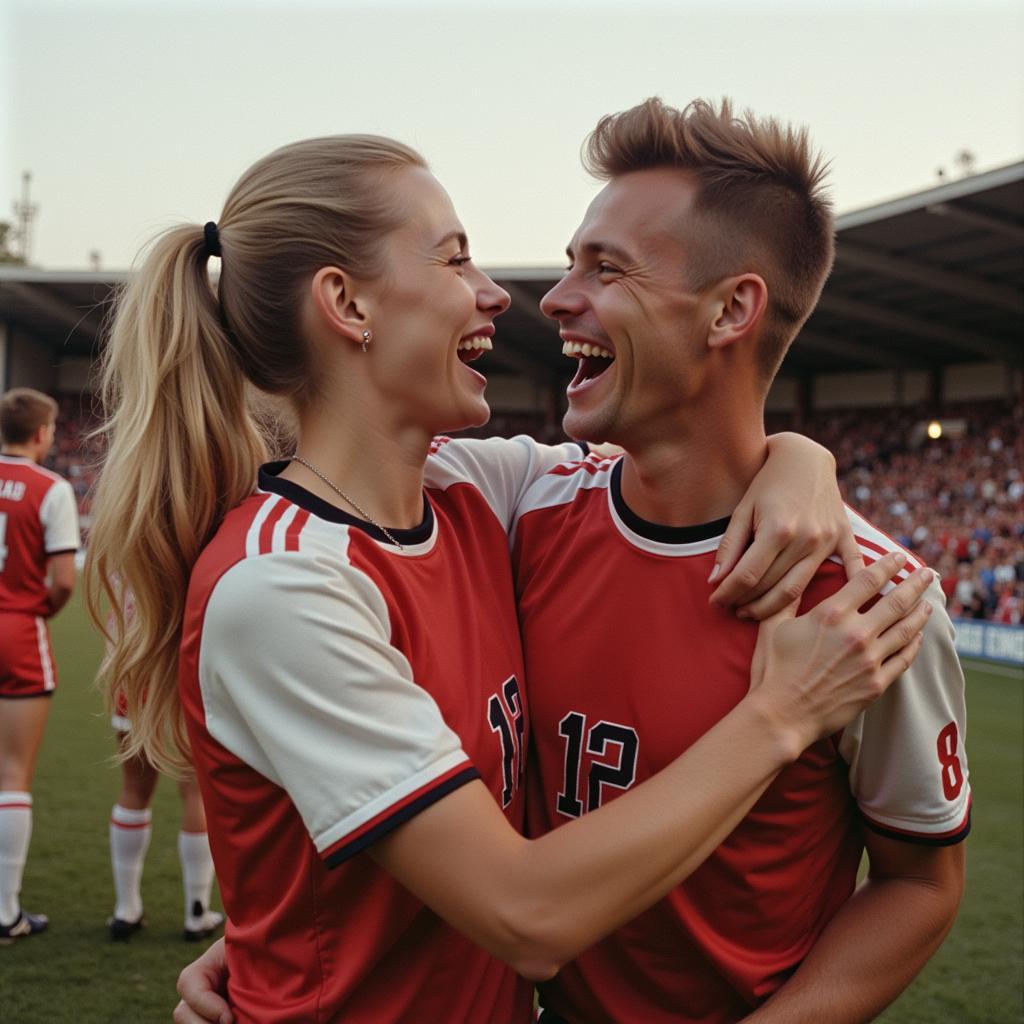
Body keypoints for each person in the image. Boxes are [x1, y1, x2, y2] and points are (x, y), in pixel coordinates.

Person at [86, 134, 932, 1023]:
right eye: (455, 258)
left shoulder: (477, 498)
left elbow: (686, 456)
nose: (498, 292)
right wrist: (784, 714)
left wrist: (802, 460)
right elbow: (526, 915)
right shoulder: (282, 585)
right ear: (345, 302)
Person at [507, 98, 968, 1023]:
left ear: (731, 310)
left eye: (606, 268)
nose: (556, 298)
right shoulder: (518, 509)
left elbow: (921, 883)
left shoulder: (869, 598)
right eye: (568, 264)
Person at [0, 388, 79, 943]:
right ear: (41, 433)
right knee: (12, 775)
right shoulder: (51, 489)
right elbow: (64, 581)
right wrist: (38, 612)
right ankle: (5, 912)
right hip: (18, 634)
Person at [108, 689, 225, 942]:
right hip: (188, 676)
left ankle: (126, 910)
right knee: (196, 793)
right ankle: (197, 914)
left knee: (134, 789)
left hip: (136, 675)